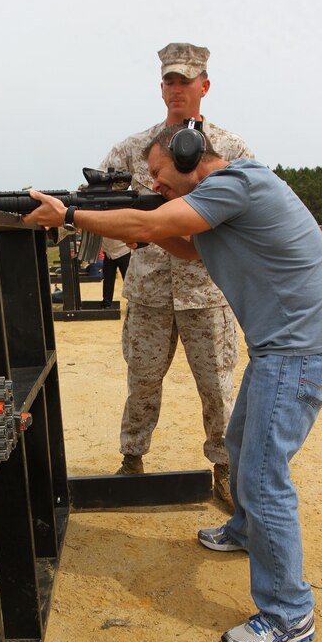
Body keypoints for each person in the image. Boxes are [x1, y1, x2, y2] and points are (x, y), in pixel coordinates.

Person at [24, 123, 322, 642]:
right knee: (244, 448)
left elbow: (152, 219)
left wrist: (72, 214)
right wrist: (147, 232)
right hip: (285, 348)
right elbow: (192, 251)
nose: (155, 184)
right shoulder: (230, 198)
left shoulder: (236, 183)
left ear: (191, 153)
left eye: (157, 173)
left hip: (295, 352)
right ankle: (246, 529)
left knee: (265, 476)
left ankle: (290, 612)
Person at [98, 43, 253, 508]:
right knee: (141, 380)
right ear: (160, 86)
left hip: (207, 292)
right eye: (169, 80)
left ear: (204, 85)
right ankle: (132, 460)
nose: (176, 88)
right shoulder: (132, 150)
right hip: (147, 293)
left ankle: (225, 470)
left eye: (185, 80)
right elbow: (99, 204)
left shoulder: (231, 149)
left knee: (218, 386)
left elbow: (245, 214)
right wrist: (127, 261)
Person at [100, 238, 131, 308]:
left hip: (123, 251)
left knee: (128, 279)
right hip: (108, 253)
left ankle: (132, 302)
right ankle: (106, 302)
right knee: (108, 279)